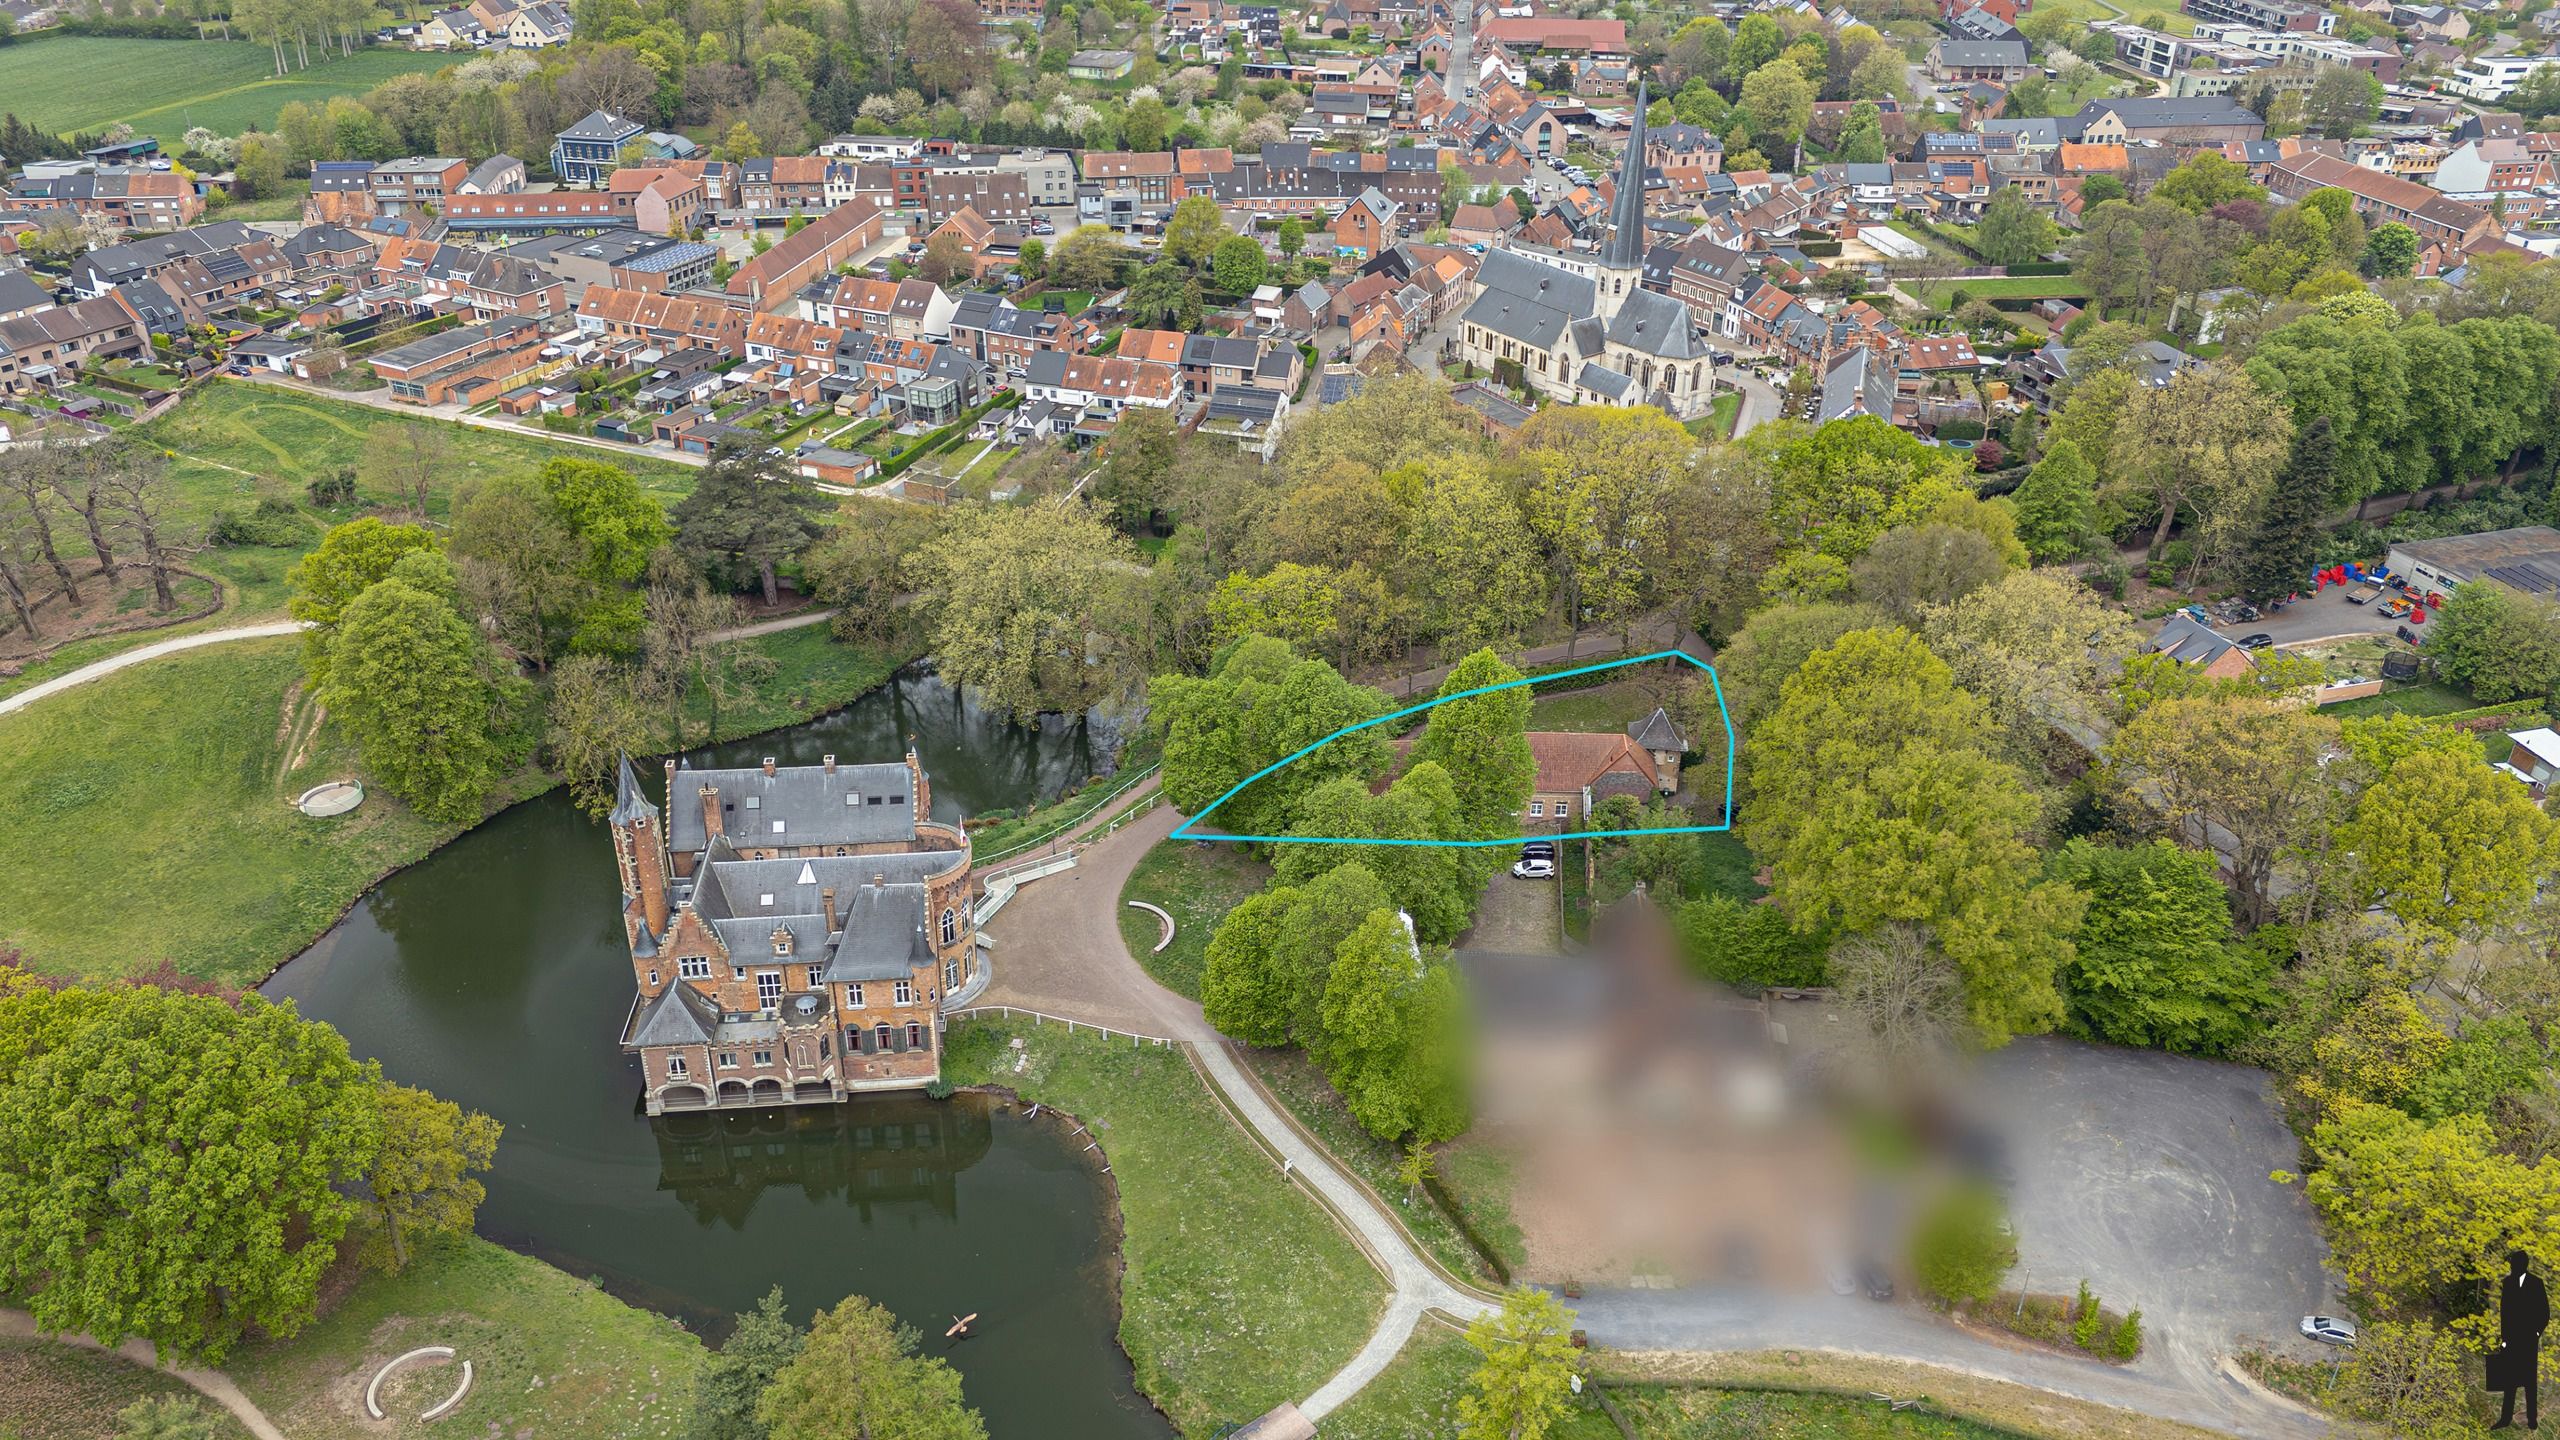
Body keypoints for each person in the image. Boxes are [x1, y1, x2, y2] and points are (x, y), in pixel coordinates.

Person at [2495, 1250, 2549, 1431]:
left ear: (2522, 1264)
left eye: (2514, 1263)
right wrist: (2504, 1339)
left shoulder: (2536, 1283)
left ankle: (2532, 1419)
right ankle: (2505, 1418)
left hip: (2528, 1339)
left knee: (2529, 1381)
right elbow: (2505, 1313)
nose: (2512, 1266)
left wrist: (2535, 1333)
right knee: (2509, 1380)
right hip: (2511, 1339)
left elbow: (2544, 1312)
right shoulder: (2508, 1283)